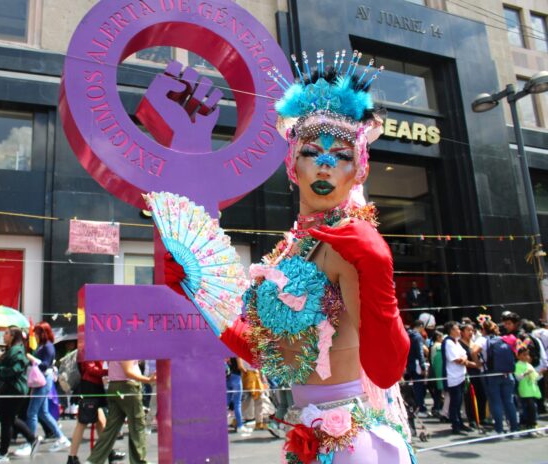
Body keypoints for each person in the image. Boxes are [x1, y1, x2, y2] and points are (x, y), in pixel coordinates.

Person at [161, 50, 413, 463]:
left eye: (342, 155)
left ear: (359, 169)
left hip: (350, 443)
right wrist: (198, 292)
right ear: (292, 164)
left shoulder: (348, 240)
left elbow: (386, 370)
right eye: (312, 151)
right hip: (307, 434)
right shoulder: (291, 246)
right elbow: (269, 353)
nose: (326, 164)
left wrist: (378, 271)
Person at [0, 326, 40, 464]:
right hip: (11, 388)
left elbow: (16, 369)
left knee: (6, 420)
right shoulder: (13, 349)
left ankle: (3, 452)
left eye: (6, 333)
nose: (4, 336)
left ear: (12, 336)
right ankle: (31, 439)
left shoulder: (17, 350)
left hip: (15, 389)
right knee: (9, 419)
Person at [84, 360, 155, 464]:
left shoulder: (114, 348)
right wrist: (148, 380)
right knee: (137, 427)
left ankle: (92, 461)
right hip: (128, 386)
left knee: (111, 429)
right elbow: (128, 371)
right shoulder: (126, 346)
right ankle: (139, 461)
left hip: (114, 385)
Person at [22, 322, 70, 454]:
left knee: (32, 412)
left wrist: (31, 358)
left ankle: (30, 441)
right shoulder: (43, 346)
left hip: (43, 380)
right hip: (41, 380)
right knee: (43, 413)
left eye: (37, 333)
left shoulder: (48, 347)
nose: (35, 336)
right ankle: (61, 437)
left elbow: (45, 365)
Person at [65, 361, 125, 464]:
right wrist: (109, 371)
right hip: (90, 386)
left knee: (100, 422)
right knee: (82, 422)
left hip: (95, 385)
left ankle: (108, 452)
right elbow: (90, 369)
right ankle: (72, 457)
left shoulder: (91, 346)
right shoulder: (87, 347)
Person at [483, 320, 519, 436]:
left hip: (493, 374)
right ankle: (514, 429)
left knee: (496, 402)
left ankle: (499, 429)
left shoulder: (485, 341)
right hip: (508, 374)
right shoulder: (508, 340)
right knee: (509, 401)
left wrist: (479, 363)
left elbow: (474, 351)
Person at [441, 321, 472, 435]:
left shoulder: (456, 342)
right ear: (451, 331)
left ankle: (460, 423)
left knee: (459, 401)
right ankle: (455, 425)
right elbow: (456, 359)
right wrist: (466, 361)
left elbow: (464, 354)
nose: (459, 330)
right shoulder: (448, 342)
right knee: (455, 401)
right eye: (457, 329)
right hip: (453, 376)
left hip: (461, 375)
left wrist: (464, 359)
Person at [459, 323, 486, 428]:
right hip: (468, 372)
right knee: (470, 397)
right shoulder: (460, 344)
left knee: (482, 395)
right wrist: (475, 365)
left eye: (472, 330)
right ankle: (472, 419)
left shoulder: (474, 343)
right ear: (462, 332)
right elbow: (462, 359)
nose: (471, 332)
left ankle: (482, 417)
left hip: (478, 372)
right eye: (468, 330)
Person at [514, 345, 542, 437]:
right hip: (525, 391)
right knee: (530, 408)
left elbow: (535, 377)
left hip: (532, 390)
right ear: (518, 356)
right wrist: (525, 373)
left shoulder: (529, 365)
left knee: (532, 408)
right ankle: (530, 424)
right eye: (524, 355)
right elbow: (518, 377)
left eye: (527, 355)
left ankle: (530, 424)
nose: (526, 357)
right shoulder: (517, 365)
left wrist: (541, 374)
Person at [405, 320, 428, 417]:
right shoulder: (417, 336)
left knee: (411, 387)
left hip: (407, 364)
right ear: (420, 326)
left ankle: (414, 406)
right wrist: (423, 366)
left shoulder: (406, 334)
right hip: (416, 365)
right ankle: (420, 407)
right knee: (419, 387)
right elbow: (420, 352)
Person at [226, 357, 250, 435]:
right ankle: (240, 426)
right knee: (237, 403)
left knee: (226, 402)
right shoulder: (236, 354)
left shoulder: (226, 353)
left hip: (227, 378)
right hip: (236, 377)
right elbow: (240, 366)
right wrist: (246, 371)